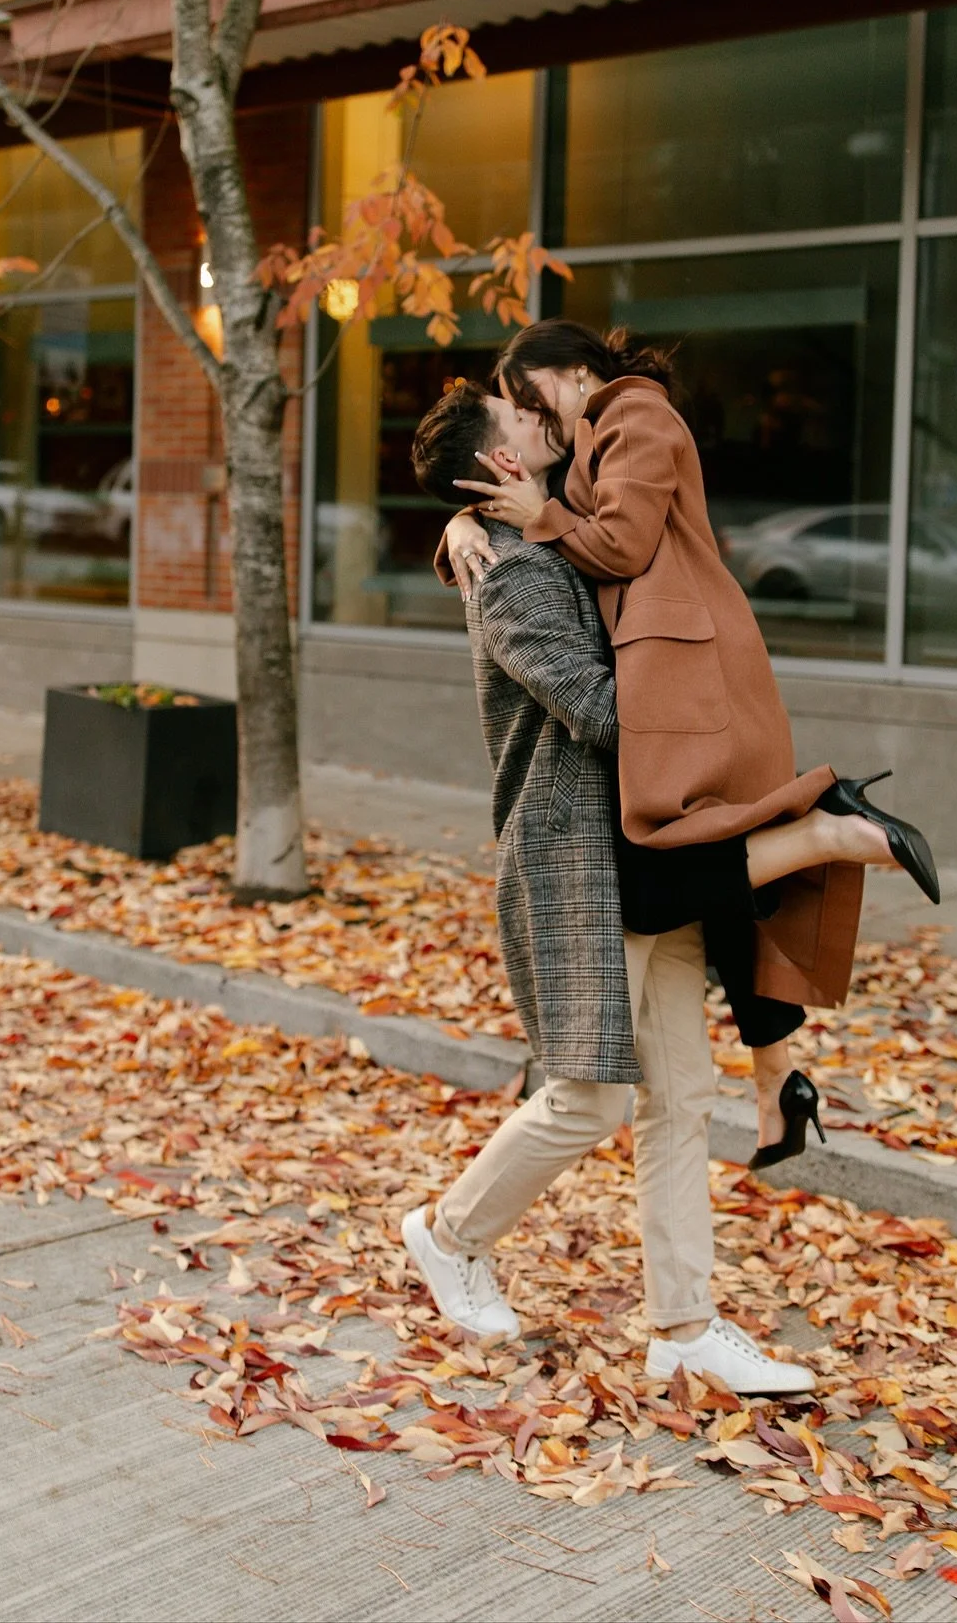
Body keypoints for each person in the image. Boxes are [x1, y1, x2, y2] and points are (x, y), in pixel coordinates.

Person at [402, 378, 816, 1393]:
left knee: (681, 1094)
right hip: (575, 859)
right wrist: (720, 728)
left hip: (643, 849)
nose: (545, 421)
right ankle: (448, 1231)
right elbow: (605, 712)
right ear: (500, 465)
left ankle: (684, 1327)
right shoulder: (513, 575)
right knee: (589, 1095)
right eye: (521, 420)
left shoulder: (548, 536)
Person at [446, 320, 939, 1170]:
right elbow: (514, 504)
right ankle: (777, 1073)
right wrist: (460, 520)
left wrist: (533, 512)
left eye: (533, 398)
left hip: (683, 683)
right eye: (519, 416)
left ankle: (828, 830)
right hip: (673, 678)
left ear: (568, 372)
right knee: (712, 875)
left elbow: (621, 542)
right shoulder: (586, 444)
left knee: (670, 876)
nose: (536, 420)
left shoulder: (634, 417)